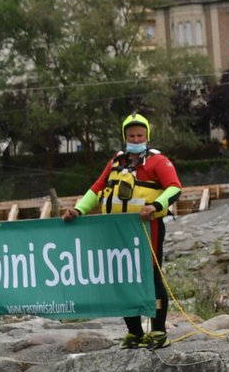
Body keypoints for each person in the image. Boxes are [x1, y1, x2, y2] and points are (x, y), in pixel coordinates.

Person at [63, 113, 182, 349]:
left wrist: (155, 206)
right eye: (131, 135)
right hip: (118, 230)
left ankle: (158, 330)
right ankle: (135, 332)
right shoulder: (116, 161)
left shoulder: (158, 162)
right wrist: (78, 210)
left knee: (151, 277)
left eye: (139, 135)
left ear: (147, 136)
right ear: (124, 137)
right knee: (124, 278)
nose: (135, 139)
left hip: (148, 228)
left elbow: (174, 188)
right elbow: (97, 189)